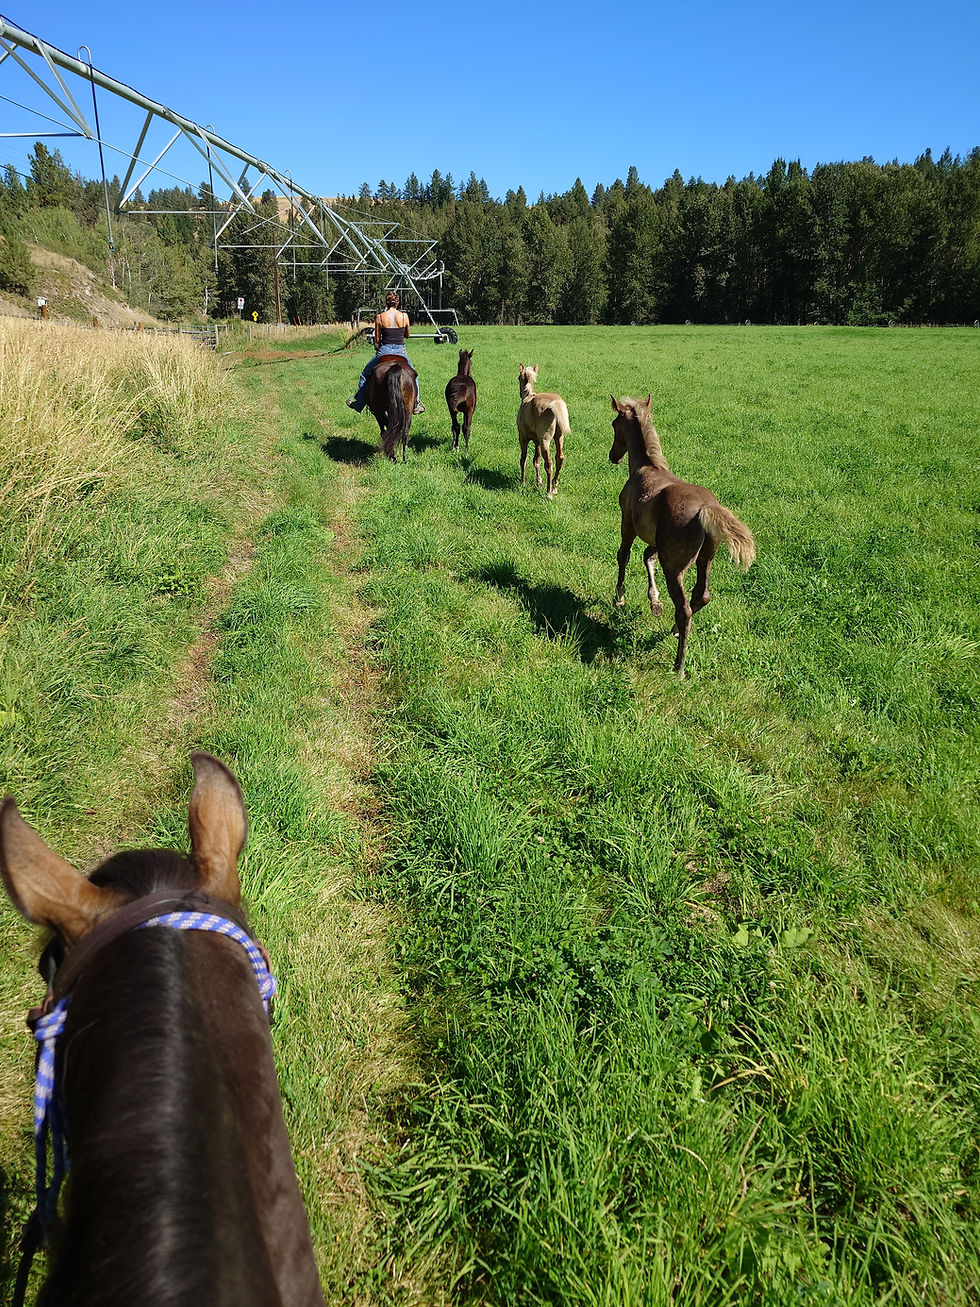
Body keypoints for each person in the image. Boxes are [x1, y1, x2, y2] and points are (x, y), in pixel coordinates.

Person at [347, 291, 424, 413]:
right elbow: (407, 335)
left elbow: (377, 339)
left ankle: (359, 403)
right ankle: (417, 403)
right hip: (401, 350)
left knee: (365, 374)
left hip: (384, 350)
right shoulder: (404, 316)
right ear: (397, 302)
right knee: (413, 375)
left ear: (386, 302)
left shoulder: (380, 317)